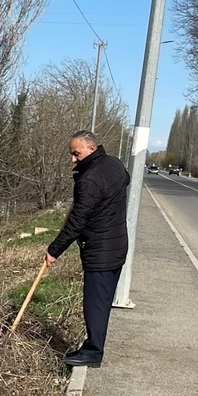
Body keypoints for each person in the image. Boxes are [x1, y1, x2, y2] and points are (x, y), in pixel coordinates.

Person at [44, 130, 131, 367]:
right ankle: (93, 346)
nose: (73, 159)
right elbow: (126, 179)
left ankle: (93, 352)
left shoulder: (89, 180)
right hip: (118, 244)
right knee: (102, 302)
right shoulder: (113, 163)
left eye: (76, 153)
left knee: (95, 303)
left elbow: (76, 223)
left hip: (101, 250)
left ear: (91, 148)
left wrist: (53, 251)